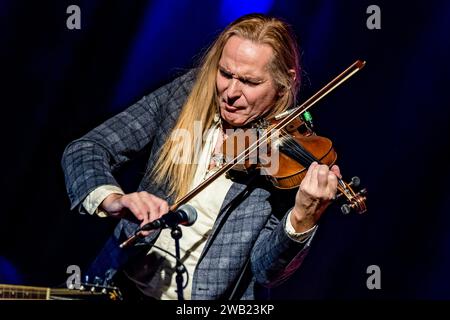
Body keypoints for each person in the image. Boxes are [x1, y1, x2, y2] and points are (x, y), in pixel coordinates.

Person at [61, 13, 340, 300]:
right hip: (117, 285)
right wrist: (114, 199)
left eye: (249, 82)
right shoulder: (186, 95)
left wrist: (302, 218)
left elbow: (266, 271)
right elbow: (87, 149)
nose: (231, 92)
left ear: (284, 82)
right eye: (225, 74)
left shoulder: (285, 157)